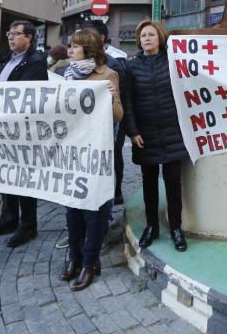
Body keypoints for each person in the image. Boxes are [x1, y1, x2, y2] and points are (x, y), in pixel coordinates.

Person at [58, 29, 123, 291]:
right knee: (72, 208)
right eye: (70, 47)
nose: (70, 51)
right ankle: (74, 257)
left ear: (89, 49)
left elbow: (118, 115)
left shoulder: (108, 75)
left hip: (96, 153)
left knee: (95, 211)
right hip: (71, 151)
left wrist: (109, 95)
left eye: (75, 47)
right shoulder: (65, 75)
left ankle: (90, 261)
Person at [0, 20, 49, 248]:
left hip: (22, 131)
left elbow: (22, 95)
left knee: (24, 179)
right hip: (4, 129)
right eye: (9, 33)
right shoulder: (8, 59)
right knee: (6, 175)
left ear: (29, 38)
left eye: (16, 34)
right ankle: (8, 219)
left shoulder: (35, 62)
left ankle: (28, 226)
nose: (10, 37)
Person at [123, 20, 189, 252]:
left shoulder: (173, 60)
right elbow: (127, 102)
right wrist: (133, 131)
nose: (146, 39)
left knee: (173, 182)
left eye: (151, 35)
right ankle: (152, 227)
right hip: (145, 134)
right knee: (149, 183)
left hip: (173, 131)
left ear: (160, 38)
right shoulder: (130, 67)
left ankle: (176, 228)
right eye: (143, 36)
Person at [87, 21, 129, 205]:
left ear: (102, 38)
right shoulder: (82, 64)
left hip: (112, 121)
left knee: (114, 154)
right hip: (91, 124)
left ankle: (115, 191)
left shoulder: (113, 64)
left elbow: (123, 96)